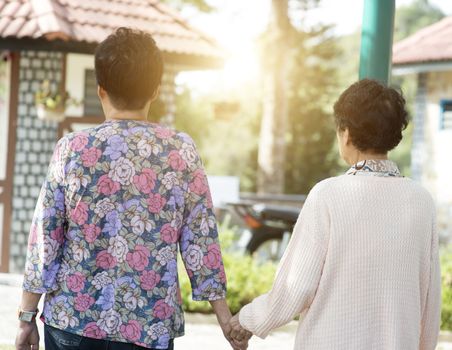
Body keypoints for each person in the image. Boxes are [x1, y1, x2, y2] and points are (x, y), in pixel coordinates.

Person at [15, 27, 248, 350]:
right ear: (155, 91)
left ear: (100, 91)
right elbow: (201, 241)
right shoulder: (180, 151)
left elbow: (46, 239)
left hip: (72, 324)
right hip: (149, 325)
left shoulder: (73, 149)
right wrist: (225, 319)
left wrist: (27, 317)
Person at [229, 79, 441, 349]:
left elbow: (296, 287)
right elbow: (430, 301)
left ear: (346, 133)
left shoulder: (328, 195)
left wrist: (246, 321)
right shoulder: (421, 201)